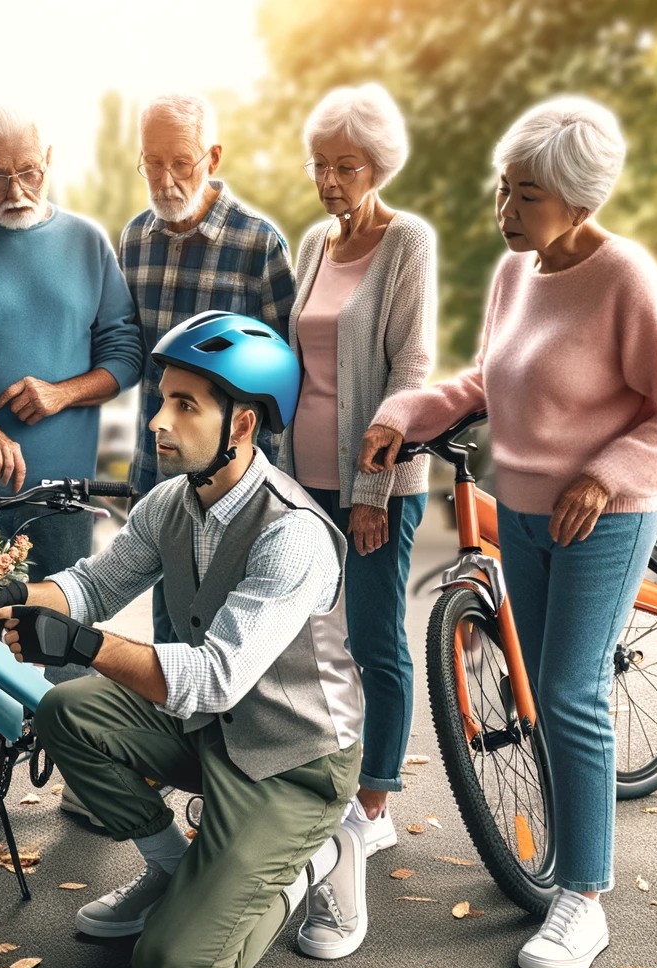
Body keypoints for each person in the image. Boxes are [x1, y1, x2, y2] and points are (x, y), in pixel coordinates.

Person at [0, 311, 367, 968]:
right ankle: (171, 868)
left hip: (291, 761)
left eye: (185, 405)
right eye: (163, 399)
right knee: (66, 709)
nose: (159, 420)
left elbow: (215, 679)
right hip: (211, 732)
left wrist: (84, 644)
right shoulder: (172, 503)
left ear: (242, 426)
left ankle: (320, 860)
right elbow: (93, 587)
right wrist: (13, 590)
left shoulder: (294, 535)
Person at [358, 96, 657, 968]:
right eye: (504, 187)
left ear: (578, 201)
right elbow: (485, 379)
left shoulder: (627, 281)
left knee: (568, 692)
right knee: (540, 692)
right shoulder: (515, 271)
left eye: (525, 194)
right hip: (520, 511)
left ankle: (586, 896)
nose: (506, 208)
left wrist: (608, 474)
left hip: (603, 516)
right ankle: (566, 865)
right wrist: (402, 414)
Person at [0, 103, 141, 832]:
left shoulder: (86, 243)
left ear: (50, 158)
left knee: (67, 631)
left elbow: (124, 353)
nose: (15, 188)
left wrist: (62, 391)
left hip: (62, 492)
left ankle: (87, 776)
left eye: (28, 170)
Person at [277, 83, 436, 856]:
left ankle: (374, 807)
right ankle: (324, 777)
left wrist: (373, 489)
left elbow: (411, 370)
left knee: (376, 641)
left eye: (346, 166)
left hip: (378, 485)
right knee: (313, 638)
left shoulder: (407, 243)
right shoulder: (313, 243)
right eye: (320, 164)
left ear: (378, 166)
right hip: (302, 481)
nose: (330, 180)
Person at [121, 93, 295, 644]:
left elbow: (285, 380)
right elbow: (126, 351)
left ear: (213, 158)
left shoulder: (259, 244)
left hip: (234, 482)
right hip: (159, 472)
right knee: (168, 632)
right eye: (152, 161)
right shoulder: (131, 242)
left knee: (230, 640)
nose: (165, 178)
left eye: (181, 161)